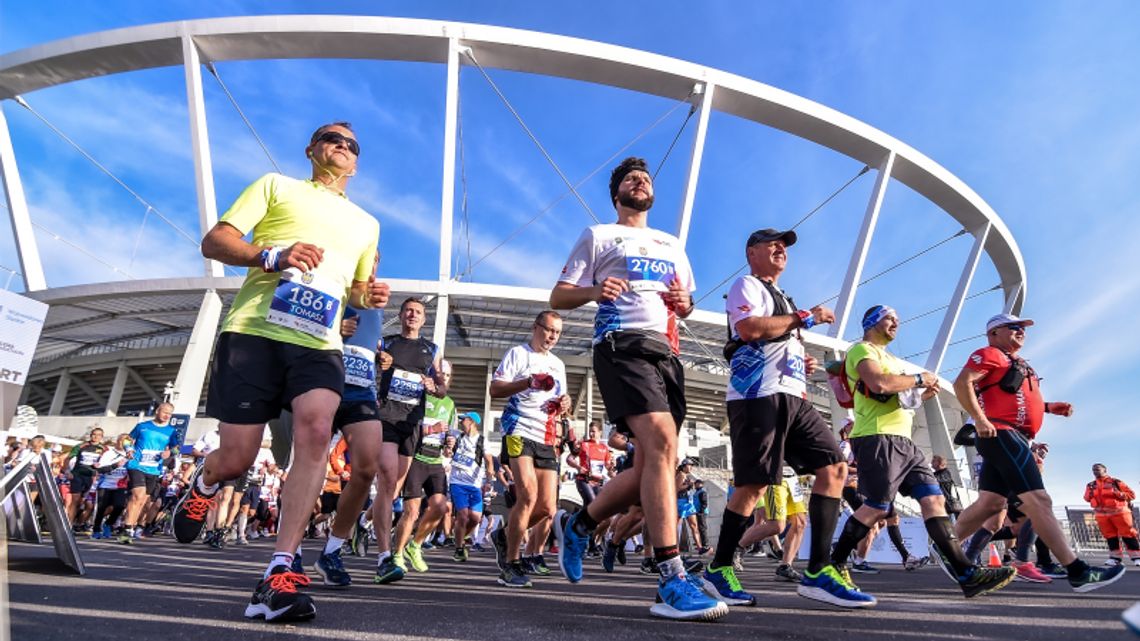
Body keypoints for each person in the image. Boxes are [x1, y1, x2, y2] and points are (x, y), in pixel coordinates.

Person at [171, 121, 388, 623]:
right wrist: (272, 255)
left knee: (316, 429)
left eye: (352, 145)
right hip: (254, 331)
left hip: (319, 341)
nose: (343, 147)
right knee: (236, 459)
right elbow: (215, 241)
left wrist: (368, 296)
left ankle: (280, 570)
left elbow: (357, 288)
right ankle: (206, 483)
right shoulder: (276, 186)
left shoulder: (367, 223)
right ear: (311, 150)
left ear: (356, 162)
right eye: (332, 139)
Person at [549, 157, 725, 621]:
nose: (640, 182)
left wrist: (685, 303)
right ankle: (671, 577)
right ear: (617, 194)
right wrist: (593, 291)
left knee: (656, 463)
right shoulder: (599, 236)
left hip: (667, 355)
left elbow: (685, 302)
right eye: (630, 178)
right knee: (664, 444)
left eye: (645, 178)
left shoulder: (672, 244)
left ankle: (580, 523)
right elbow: (558, 296)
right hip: (620, 344)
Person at [702, 227, 866, 608]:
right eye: (771, 243)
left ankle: (819, 571)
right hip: (758, 396)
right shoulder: (747, 285)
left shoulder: (782, 297)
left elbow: (776, 336)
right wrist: (804, 318)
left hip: (793, 397)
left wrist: (799, 358)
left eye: (785, 246)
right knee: (753, 487)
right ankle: (719, 567)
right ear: (751, 251)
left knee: (834, 469)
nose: (780, 249)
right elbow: (749, 329)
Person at [830, 305, 1016, 601]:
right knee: (878, 507)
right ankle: (834, 564)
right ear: (871, 322)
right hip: (877, 436)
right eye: (890, 318)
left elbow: (904, 398)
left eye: (898, 319)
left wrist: (923, 389)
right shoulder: (862, 350)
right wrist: (919, 379)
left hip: (904, 441)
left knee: (934, 499)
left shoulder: (890, 358)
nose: (896, 323)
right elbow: (879, 383)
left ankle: (966, 574)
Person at [952, 313, 1125, 592]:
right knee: (1039, 501)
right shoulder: (989, 353)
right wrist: (979, 419)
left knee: (991, 504)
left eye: (1023, 328)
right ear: (994, 333)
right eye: (1013, 327)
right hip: (1001, 433)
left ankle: (946, 547)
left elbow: (1011, 397)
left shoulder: (1015, 363)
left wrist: (1049, 407)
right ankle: (1077, 571)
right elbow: (962, 384)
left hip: (1012, 434)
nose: (1021, 331)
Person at [489, 310, 570, 588]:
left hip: (546, 435)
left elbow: (560, 398)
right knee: (527, 495)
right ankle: (510, 565)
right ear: (536, 327)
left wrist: (565, 403)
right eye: (548, 330)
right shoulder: (518, 354)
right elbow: (494, 389)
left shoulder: (558, 364)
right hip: (518, 428)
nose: (552, 336)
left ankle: (504, 535)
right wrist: (527, 382)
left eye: (557, 333)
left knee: (547, 508)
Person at [372, 297, 448, 584]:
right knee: (388, 479)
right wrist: (382, 364)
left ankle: (365, 523)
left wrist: (434, 385)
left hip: (412, 422)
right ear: (401, 315)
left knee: (395, 487)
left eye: (418, 312)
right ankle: (386, 555)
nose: (413, 315)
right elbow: (372, 369)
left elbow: (441, 387)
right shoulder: (386, 343)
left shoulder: (432, 350)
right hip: (387, 417)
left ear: (424, 319)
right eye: (408, 311)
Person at [312, 303, 386, 586]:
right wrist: (332, 332)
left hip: (361, 394)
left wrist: (382, 359)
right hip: (323, 383)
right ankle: (287, 553)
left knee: (366, 470)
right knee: (310, 465)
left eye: (375, 260)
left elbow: (367, 345)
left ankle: (331, 551)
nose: (371, 267)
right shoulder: (333, 287)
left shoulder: (377, 310)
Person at [392, 361, 457, 575]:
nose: (443, 377)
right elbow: (408, 427)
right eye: (440, 373)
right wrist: (431, 429)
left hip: (435, 460)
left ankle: (415, 545)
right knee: (411, 512)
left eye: (447, 375)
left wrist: (449, 443)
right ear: (431, 374)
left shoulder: (449, 404)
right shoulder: (419, 397)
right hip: (416, 458)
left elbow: (449, 432)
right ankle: (397, 554)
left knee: (440, 507)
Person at [119, 403, 179, 543]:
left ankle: (131, 527)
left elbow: (176, 448)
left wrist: (169, 452)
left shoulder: (171, 431)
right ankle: (126, 531)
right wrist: (129, 449)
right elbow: (128, 439)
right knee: (137, 496)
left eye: (170, 414)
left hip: (154, 469)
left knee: (144, 502)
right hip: (137, 465)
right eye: (164, 412)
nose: (166, 416)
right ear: (157, 411)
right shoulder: (143, 426)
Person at [450, 412, 493, 562]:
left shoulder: (482, 441)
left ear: (472, 422)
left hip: (474, 484)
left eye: (464, 420)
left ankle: (461, 536)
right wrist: (448, 450)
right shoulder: (457, 437)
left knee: (475, 519)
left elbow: (489, 461)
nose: (461, 422)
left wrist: (489, 480)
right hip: (457, 482)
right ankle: (459, 548)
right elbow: (447, 451)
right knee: (462, 515)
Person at [1084, 464, 1139, 566]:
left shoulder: (1115, 482)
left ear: (1105, 470)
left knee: (1128, 534)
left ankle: (1137, 557)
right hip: (1102, 515)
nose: (1095, 471)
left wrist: (1119, 494)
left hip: (1120, 513)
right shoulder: (1090, 485)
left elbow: (1132, 494)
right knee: (1110, 536)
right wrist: (1090, 496)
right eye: (1093, 470)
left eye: (1098, 469)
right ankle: (1115, 558)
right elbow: (1086, 498)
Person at [65, 427, 105, 530]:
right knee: (75, 500)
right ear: (90, 435)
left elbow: (106, 463)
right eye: (93, 434)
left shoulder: (104, 449)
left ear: (102, 437)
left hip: (91, 477)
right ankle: (68, 525)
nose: (95, 437)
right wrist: (67, 471)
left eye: (98, 435)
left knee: (81, 502)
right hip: (77, 475)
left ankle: (77, 523)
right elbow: (67, 459)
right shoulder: (81, 446)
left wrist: (99, 467)